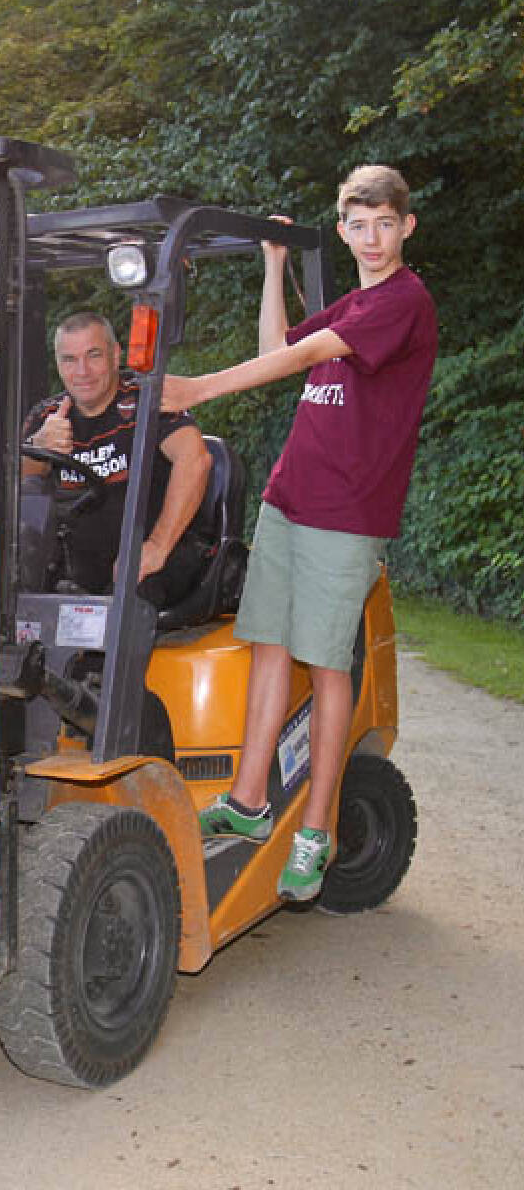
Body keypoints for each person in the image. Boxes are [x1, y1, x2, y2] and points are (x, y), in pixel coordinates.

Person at [166, 166, 437, 902]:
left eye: (385, 224)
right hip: (290, 497)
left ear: (406, 226)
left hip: (345, 512)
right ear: (343, 230)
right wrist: (274, 264)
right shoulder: (358, 302)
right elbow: (279, 345)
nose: (372, 238)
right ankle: (249, 801)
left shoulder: (404, 302)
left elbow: (309, 354)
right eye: (359, 225)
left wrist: (200, 388)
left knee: (325, 666)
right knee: (269, 646)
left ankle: (316, 830)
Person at [22, 311, 212, 606]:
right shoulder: (48, 416)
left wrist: (157, 547)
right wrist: (39, 445)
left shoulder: (147, 401)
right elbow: (14, 483)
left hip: (156, 555)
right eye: (69, 360)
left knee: (133, 595)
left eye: (93, 355)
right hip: (80, 563)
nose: (82, 371)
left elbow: (195, 460)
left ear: (115, 355)